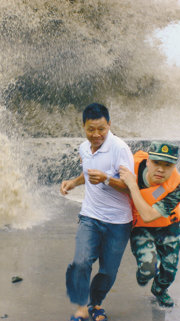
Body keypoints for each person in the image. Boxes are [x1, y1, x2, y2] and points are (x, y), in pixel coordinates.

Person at [60, 103, 134, 321]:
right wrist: (73, 183)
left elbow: (131, 186)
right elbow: (88, 172)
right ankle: (81, 308)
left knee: (108, 272)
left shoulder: (120, 149)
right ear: (83, 126)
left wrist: (107, 179)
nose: (96, 134)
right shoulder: (84, 148)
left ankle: (96, 303)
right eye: (91, 129)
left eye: (101, 128)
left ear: (109, 124)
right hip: (90, 216)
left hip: (118, 221)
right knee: (81, 262)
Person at [118, 141, 180, 308]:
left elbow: (148, 215)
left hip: (168, 227)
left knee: (169, 269)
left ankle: (159, 289)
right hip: (141, 228)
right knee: (149, 268)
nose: (161, 169)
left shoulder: (177, 187)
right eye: (156, 163)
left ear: (174, 166)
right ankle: (145, 272)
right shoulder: (132, 164)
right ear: (148, 161)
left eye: (167, 165)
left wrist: (133, 186)